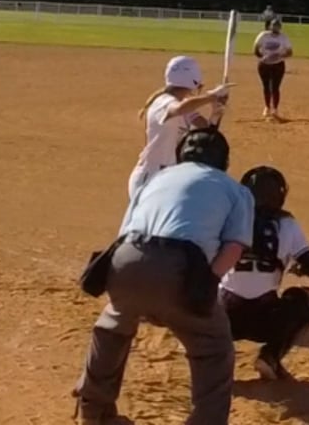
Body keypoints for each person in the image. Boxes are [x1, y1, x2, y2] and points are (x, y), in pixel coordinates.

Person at [75, 126, 252, 425]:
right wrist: (208, 282)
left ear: (181, 155)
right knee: (214, 347)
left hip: (126, 258)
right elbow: (234, 246)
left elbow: (125, 231)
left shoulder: (155, 179)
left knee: (113, 328)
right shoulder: (235, 190)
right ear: (224, 160)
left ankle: (94, 412)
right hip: (179, 267)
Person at [221, 165, 309, 382]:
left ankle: (214, 358)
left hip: (224, 319)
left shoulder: (228, 219)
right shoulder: (287, 223)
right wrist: (298, 268)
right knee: (307, 299)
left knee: (204, 293)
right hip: (264, 318)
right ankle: (271, 355)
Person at [128, 55, 230, 201]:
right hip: (150, 178)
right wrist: (212, 97)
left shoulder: (184, 106)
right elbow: (179, 109)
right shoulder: (163, 102)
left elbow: (207, 135)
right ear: (193, 80)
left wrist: (216, 112)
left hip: (168, 178)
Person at [252, 18, 294, 123]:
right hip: (264, 65)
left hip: (278, 65)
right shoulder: (263, 35)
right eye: (274, 25)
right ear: (270, 26)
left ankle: (275, 109)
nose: (275, 27)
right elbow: (255, 48)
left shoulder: (283, 37)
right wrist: (262, 57)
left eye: (277, 25)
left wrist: (280, 56)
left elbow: (290, 52)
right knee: (266, 86)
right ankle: (267, 107)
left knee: (275, 87)